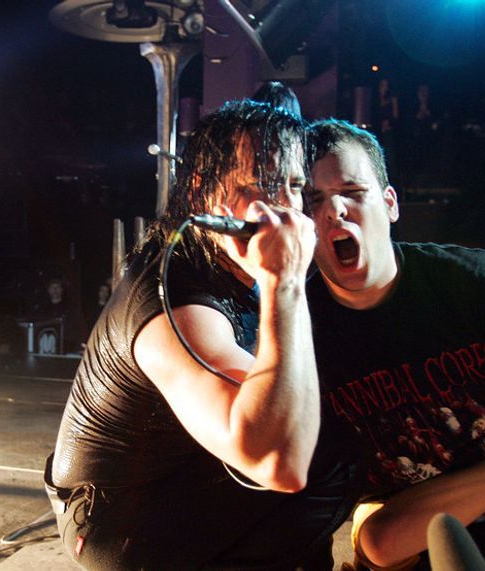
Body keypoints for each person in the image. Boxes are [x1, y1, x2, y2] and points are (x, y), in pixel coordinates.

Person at [45, 101, 359, 569]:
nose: (288, 207)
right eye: (262, 185)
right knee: (329, 453)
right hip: (118, 525)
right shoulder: (177, 303)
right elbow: (278, 462)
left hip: (174, 484)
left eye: (295, 187)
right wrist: (285, 282)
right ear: (203, 192)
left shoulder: (237, 267)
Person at [305, 119, 485, 568]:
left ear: (390, 203)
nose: (334, 210)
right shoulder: (298, 329)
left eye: (353, 191)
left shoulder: (479, 284)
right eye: (313, 199)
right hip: (417, 546)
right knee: (379, 538)